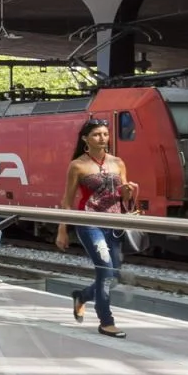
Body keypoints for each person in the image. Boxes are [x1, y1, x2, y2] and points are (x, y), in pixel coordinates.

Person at [56, 117, 132, 339]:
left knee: (113, 275)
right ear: (85, 139)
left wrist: (128, 189)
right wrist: (62, 229)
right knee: (105, 272)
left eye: (106, 134)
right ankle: (106, 321)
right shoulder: (78, 165)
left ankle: (81, 295)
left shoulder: (118, 162)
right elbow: (67, 201)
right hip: (90, 223)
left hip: (115, 223)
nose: (103, 138)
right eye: (97, 134)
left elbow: (124, 196)